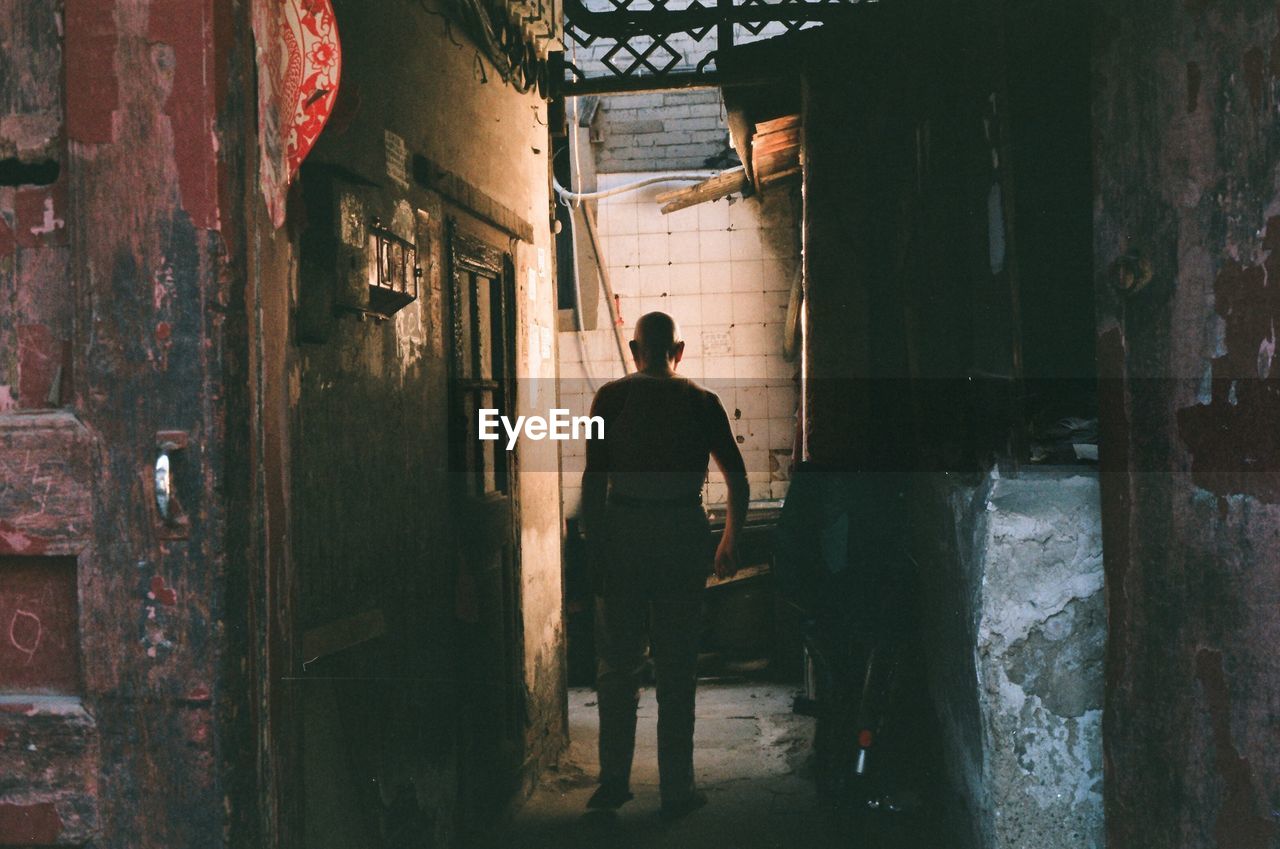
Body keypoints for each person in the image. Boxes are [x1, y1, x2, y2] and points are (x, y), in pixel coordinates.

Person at [580, 311, 749, 819]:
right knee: (677, 666)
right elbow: (737, 481)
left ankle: (613, 785)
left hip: (625, 532)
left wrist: (594, 547)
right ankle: (677, 789)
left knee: (617, 667)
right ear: (679, 350)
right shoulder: (702, 402)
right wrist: (729, 540)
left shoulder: (611, 398)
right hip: (680, 533)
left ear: (635, 352)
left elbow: (593, 479)